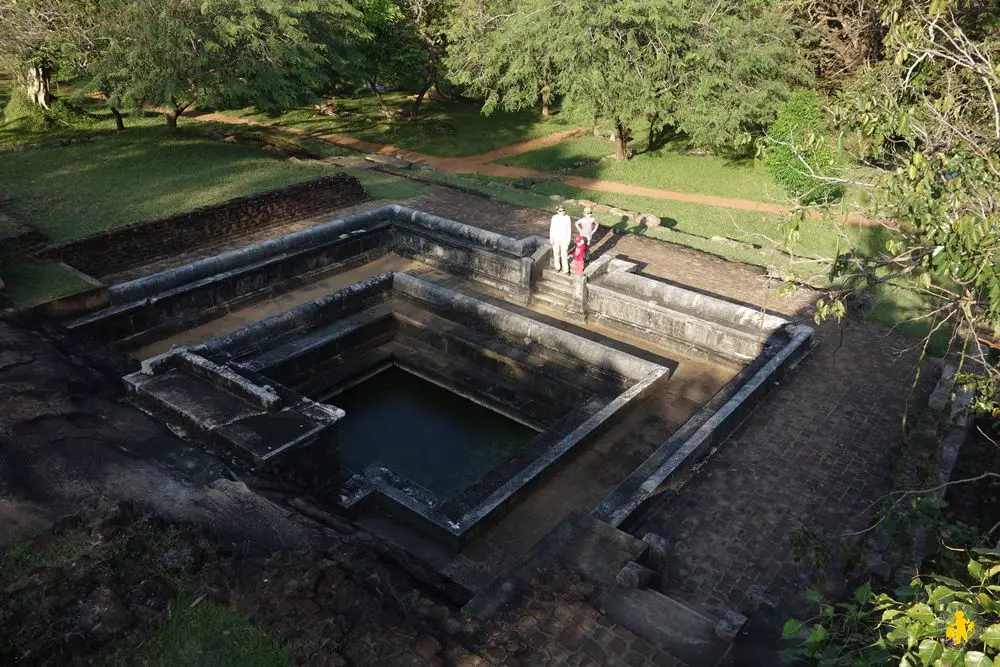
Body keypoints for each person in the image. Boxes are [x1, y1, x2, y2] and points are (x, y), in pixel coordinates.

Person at [549, 205, 572, 273]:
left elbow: (569, 229)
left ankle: (566, 269)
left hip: (564, 238)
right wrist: (551, 238)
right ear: (557, 211)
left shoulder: (567, 217)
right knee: (556, 253)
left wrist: (568, 240)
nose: (562, 212)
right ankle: (557, 266)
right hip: (556, 238)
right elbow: (552, 228)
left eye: (563, 210)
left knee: (564, 254)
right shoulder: (554, 217)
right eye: (560, 211)